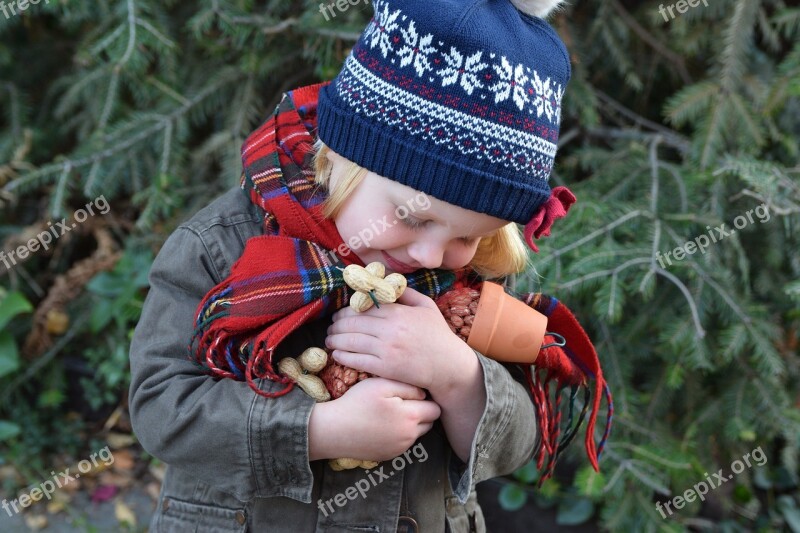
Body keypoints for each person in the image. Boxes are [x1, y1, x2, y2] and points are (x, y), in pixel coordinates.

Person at [128, 0, 573, 531]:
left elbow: (521, 436)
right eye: (411, 218)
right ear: (340, 157)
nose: (430, 256)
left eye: (466, 236)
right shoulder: (223, 247)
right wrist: (320, 429)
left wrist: (457, 377)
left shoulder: (470, 281)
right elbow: (162, 405)